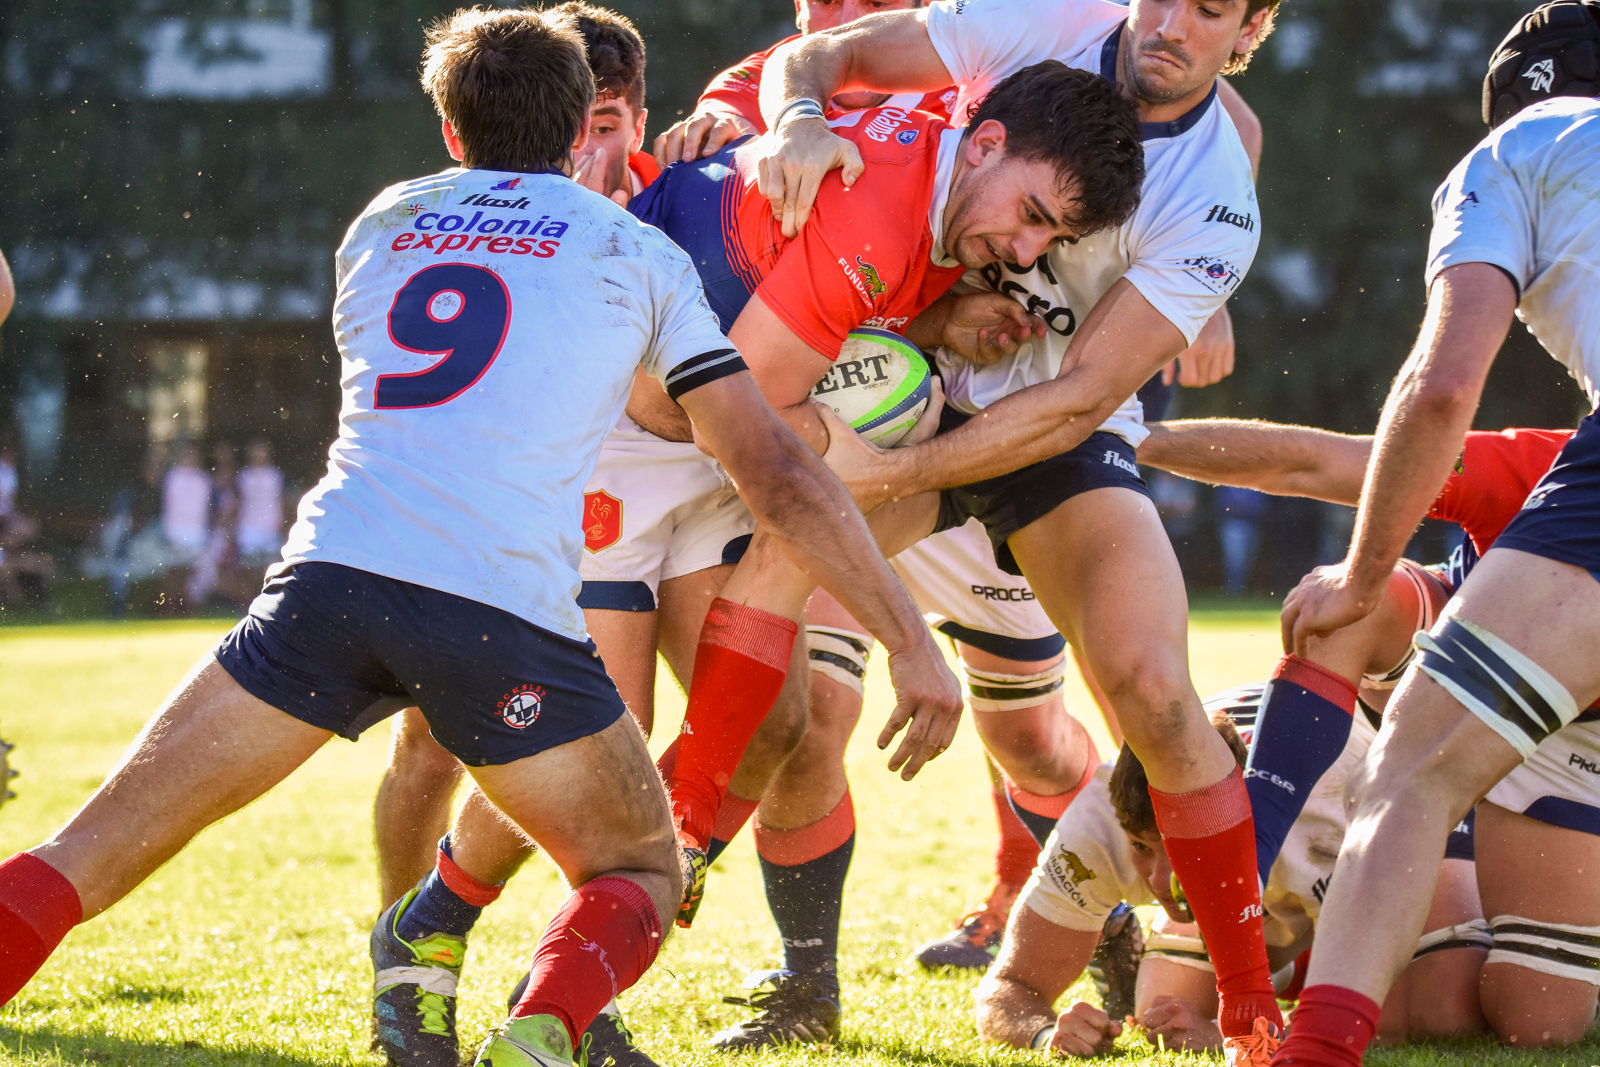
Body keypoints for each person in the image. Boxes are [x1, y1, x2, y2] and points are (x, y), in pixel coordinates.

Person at [0, 17, 962, 1067]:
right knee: (638, 865)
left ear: (450, 133)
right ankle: (541, 1031)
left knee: (79, 856)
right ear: (585, 124)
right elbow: (771, 470)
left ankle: (420, 956)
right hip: (493, 607)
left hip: (328, 584)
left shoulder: (383, 219)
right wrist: (908, 638)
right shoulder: (633, 250)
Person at [367, 55, 1145, 1065]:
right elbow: (752, 436)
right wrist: (908, 629)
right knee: (606, 748)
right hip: (621, 437)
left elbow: (804, 90)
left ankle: (592, 966)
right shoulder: (882, 209)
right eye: (1031, 214)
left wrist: (925, 325)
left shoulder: (943, 175)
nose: (1026, 248)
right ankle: (436, 926)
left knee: (777, 721)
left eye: (1052, 238)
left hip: (700, 441)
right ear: (985, 143)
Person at [701, 0, 1289, 1058]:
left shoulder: (1218, 188)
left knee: (1148, 694)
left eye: (1208, 11)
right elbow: (823, 51)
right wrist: (791, 117)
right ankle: (710, 896)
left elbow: (1078, 397)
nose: (1170, 22)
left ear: (1249, 33)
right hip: (903, 374)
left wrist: (898, 471)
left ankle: (1247, 1006)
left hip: (1049, 434)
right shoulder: (1043, 18)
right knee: (792, 623)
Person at [1258, 3, 1600, 1059]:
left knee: (1410, 769)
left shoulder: (1518, 151)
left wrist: (1365, 573)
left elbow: (1443, 381)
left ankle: (1309, 1047)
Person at [975, 688, 1485, 1058]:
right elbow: (1008, 987)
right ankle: (1288, 960)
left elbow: (1385, 1022)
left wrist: (1240, 1036)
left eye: (1180, 851)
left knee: (1441, 1012)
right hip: (1269, 875)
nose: (1158, 884)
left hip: (1381, 812)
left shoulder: (1328, 813)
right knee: (1164, 1011)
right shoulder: (1097, 821)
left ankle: (1310, 957)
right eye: (1141, 848)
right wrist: (1044, 1034)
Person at [554, 2, 659, 204]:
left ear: (637, 132)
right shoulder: (497, 204)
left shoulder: (687, 202)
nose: (577, 157)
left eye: (603, 129)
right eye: (558, 129)